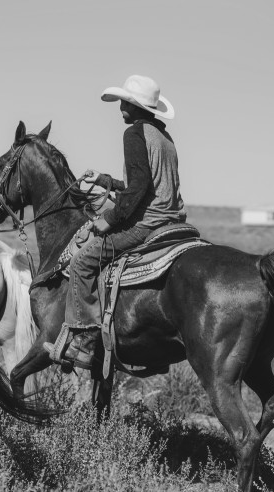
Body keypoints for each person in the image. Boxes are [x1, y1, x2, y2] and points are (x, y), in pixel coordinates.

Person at [44, 75, 186, 370]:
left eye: (126, 102)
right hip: (173, 224)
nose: (121, 106)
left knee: (82, 261)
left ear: (136, 108)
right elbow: (146, 183)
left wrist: (111, 218)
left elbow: (138, 189)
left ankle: (83, 343)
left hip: (148, 224)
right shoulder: (165, 138)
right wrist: (106, 181)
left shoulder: (134, 134)